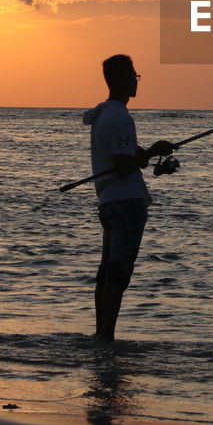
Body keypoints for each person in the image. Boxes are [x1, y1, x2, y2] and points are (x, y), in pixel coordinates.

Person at [83, 54, 177, 342]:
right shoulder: (121, 117)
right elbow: (123, 164)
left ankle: (101, 335)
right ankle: (106, 338)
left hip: (109, 200)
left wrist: (145, 153)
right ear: (124, 80)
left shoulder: (102, 115)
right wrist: (152, 151)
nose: (137, 80)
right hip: (126, 202)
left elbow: (122, 156)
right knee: (118, 273)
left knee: (107, 270)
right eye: (135, 75)